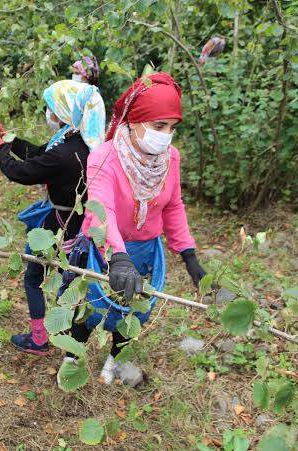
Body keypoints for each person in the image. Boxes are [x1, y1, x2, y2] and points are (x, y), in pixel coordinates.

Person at [62, 73, 207, 385]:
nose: (166, 136)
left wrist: (188, 253)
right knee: (90, 306)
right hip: (105, 246)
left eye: (172, 127)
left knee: (134, 309)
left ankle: (114, 362)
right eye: (159, 126)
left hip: (144, 249)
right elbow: (102, 210)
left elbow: (173, 205)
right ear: (135, 119)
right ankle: (72, 357)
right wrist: (117, 256)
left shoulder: (170, 158)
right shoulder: (104, 157)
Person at [0, 80, 106, 355]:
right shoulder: (80, 139)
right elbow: (39, 153)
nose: (49, 113)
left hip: (58, 227)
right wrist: (10, 140)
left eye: (52, 108)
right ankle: (72, 347)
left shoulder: (64, 153)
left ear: (66, 109)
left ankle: (40, 338)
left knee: (35, 275)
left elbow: (21, 171)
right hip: (80, 226)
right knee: (73, 282)